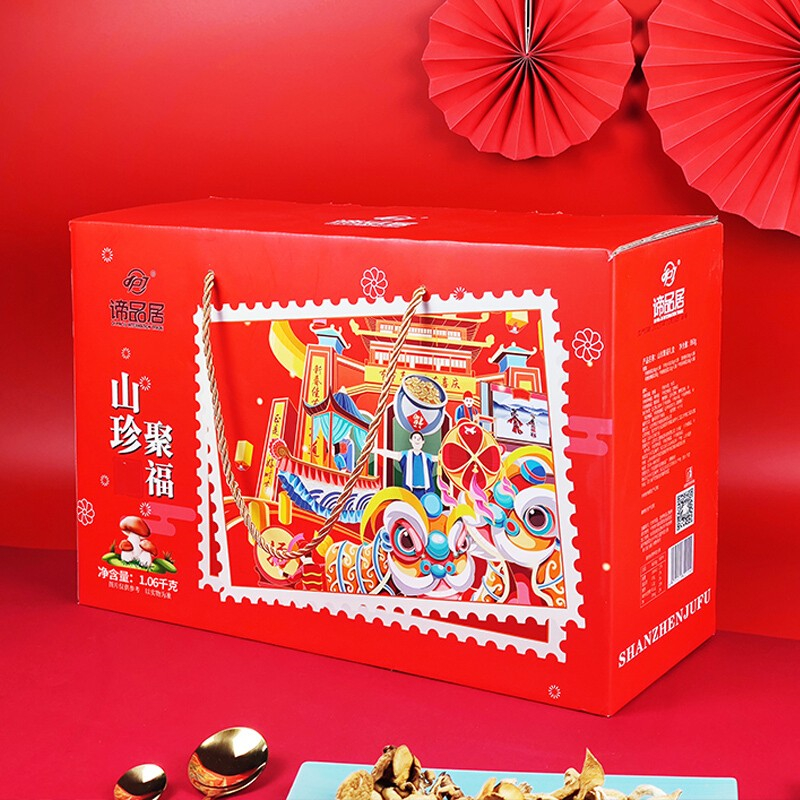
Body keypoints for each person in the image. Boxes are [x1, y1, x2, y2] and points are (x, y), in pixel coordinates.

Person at [376, 431, 438, 498]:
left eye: (419, 438)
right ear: (411, 440)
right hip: (410, 490)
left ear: (423, 441)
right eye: (415, 438)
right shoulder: (405, 455)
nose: (417, 440)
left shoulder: (427, 457)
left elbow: (440, 458)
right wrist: (375, 450)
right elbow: (388, 453)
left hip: (425, 490)